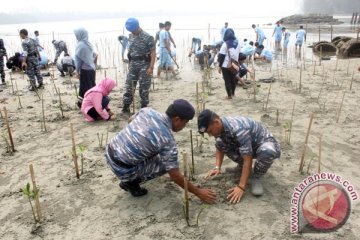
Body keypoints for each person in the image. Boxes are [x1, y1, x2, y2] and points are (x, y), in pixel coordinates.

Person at [106, 99, 217, 204]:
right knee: (165, 165)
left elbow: (130, 120)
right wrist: (198, 192)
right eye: (185, 123)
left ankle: (130, 173)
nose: (184, 126)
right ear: (177, 119)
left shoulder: (147, 111)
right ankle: (130, 182)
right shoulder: (167, 140)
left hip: (109, 152)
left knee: (155, 151)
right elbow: (175, 176)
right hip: (122, 169)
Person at [198, 109, 281, 203]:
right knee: (220, 142)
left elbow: (248, 159)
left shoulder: (239, 129)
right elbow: (219, 147)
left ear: (216, 122)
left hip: (263, 143)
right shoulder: (220, 127)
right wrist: (217, 167)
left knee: (268, 152)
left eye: (210, 131)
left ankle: (256, 176)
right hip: (247, 145)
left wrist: (241, 187)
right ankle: (242, 168)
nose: (209, 135)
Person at [122, 18, 156, 113]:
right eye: (131, 31)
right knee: (129, 85)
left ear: (138, 27)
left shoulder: (148, 37)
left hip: (144, 65)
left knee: (143, 87)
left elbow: (153, 53)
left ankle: (144, 106)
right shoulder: (130, 36)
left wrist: (151, 67)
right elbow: (130, 51)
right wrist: (130, 63)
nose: (132, 32)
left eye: (133, 30)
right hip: (133, 65)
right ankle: (126, 106)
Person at [74, 28, 98, 99]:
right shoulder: (88, 44)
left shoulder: (80, 45)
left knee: (85, 88)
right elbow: (95, 55)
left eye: (76, 35)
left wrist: (77, 71)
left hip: (85, 71)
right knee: (92, 86)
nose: (76, 36)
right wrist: (94, 64)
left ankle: (86, 103)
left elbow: (78, 61)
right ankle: (94, 100)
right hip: (92, 69)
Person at [217, 28, 240, 99]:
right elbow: (238, 53)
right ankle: (233, 93)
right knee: (233, 80)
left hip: (226, 65)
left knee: (227, 81)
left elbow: (221, 56)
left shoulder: (225, 44)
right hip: (235, 64)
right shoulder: (238, 43)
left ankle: (229, 96)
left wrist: (219, 66)